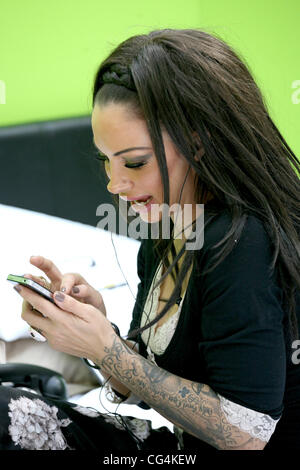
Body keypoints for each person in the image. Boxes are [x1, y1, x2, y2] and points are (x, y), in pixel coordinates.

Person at [1, 28, 299, 452]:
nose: (114, 184)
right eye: (106, 160)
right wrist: (97, 329)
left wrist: (107, 351)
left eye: (135, 163)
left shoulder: (242, 241)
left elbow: (248, 434)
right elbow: (151, 386)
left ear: (200, 143)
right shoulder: (166, 229)